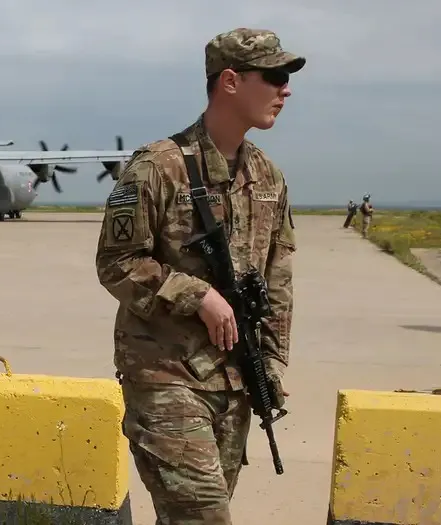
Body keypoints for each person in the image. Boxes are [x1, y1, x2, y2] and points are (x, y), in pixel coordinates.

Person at [93, 27, 303, 524]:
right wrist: (198, 296)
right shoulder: (157, 167)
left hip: (236, 378)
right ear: (230, 81)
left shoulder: (268, 176)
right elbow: (116, 263)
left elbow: (277, 277)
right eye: (274, 76)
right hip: (166, 375)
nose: (286, 89)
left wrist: (271, 361)